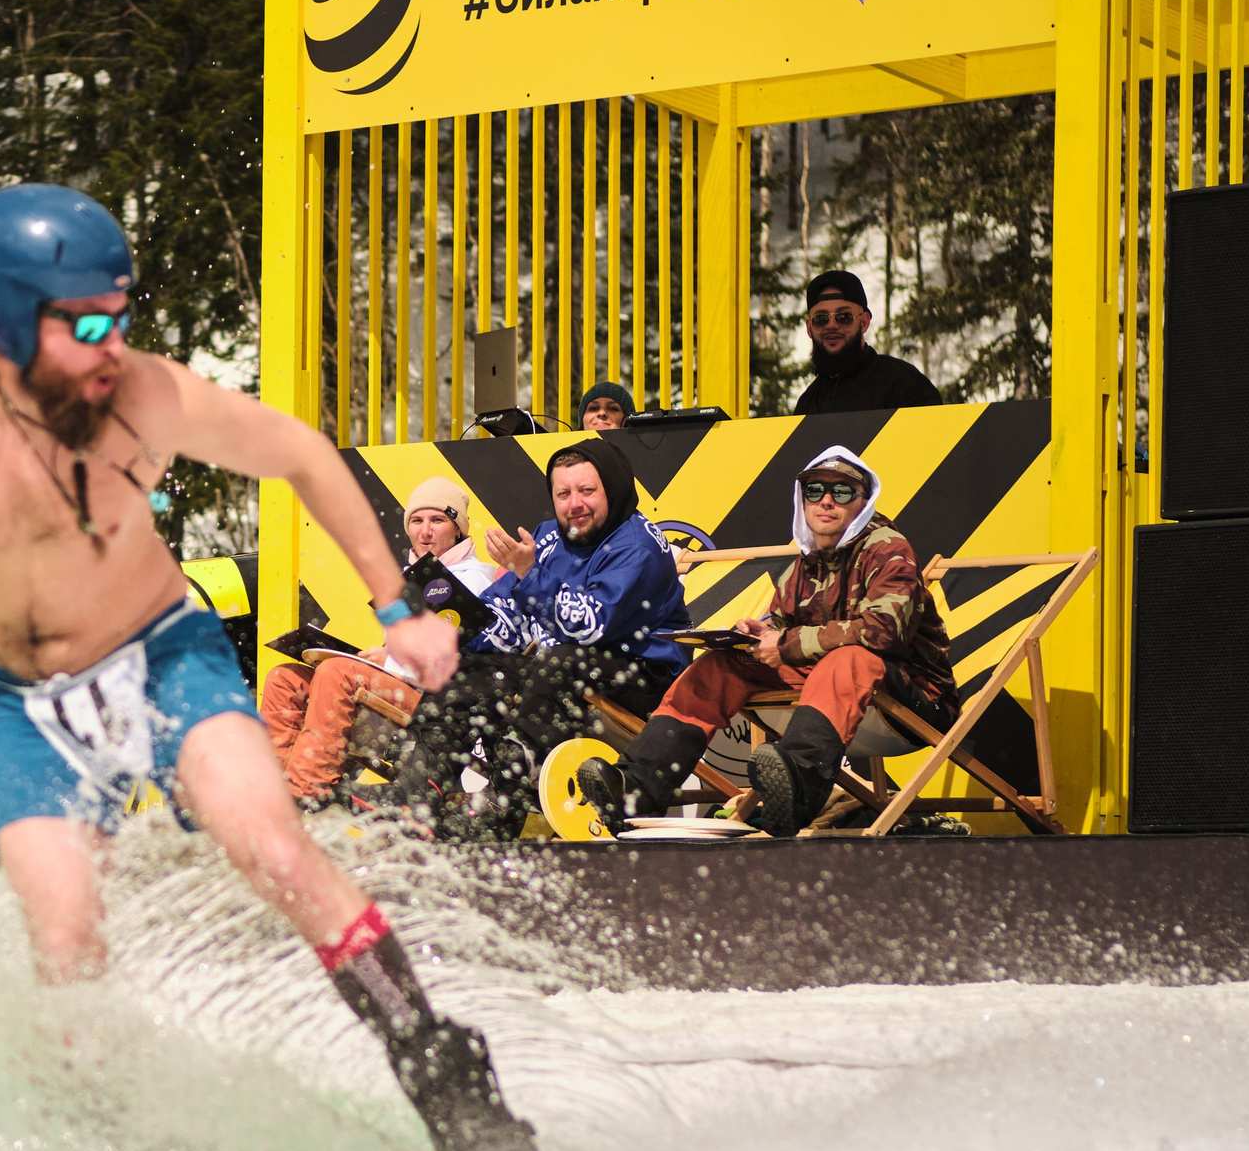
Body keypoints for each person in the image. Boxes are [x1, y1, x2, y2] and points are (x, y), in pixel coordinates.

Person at [0, 183, 542, 1151]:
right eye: (90, 322)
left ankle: (447, 1077)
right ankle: (108, 1139)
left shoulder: (140, 390)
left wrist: (397, 611)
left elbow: (303, 456)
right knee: (64, 936)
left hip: (161, 654)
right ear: (12, 323)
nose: (114, 346)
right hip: (25, 703)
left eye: (122, 315)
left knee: (270, 847)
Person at [576, 447, 956, 839]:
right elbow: (781, 624)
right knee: (719, 666)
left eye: (841, 492)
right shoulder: (807, 562)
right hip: (830, 691)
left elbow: (882, 633)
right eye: (814, 491)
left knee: (850, 659)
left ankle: (797, 787)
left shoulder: (889, 549)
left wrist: (787, 643)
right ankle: (637, 788)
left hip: (915, 700)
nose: (826, 501)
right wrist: (759, 633)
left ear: (862, 502)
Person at [384, 439, 688, 825]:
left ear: (612, 489)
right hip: (561, 674)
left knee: (558, 661)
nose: (573, 504)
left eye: (586, 491)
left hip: (642, 677)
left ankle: (501, 803)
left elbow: (590, 626)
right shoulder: (549, 537)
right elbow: (507, 617)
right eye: (563, 493)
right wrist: (454, 629)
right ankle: (419, 791)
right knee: (469, 669)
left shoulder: (638, 546)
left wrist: (529, 573)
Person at [259, 477, 497, 805]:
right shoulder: (405, 577)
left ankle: (310, 792)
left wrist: (385, 660)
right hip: (400, 685)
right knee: (284, 678)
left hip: (441, 704)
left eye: (438, 520)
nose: (425, 531)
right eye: (417, 520)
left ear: (457, 528)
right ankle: (277, 793)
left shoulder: (476, 582)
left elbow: (451, 660)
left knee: (336, 673)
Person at [793, 270, 941, 416]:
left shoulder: (902, 384)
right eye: (821, 319)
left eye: (844, 317)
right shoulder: (806, 403)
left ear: (864, 322)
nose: (831, 325)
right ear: (809, 328)